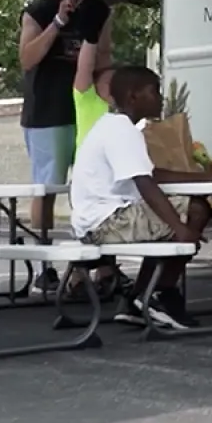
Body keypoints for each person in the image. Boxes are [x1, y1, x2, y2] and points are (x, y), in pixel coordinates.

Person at [71, 66, 212, 331]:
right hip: (107, 222)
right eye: (154, 91)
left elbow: (151, 173)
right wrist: (180, 229)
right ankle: (159, 294)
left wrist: (207, 179)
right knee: (196, 209)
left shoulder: (114, 126)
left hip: (100, 221)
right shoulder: (121, 129)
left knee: (164, 220)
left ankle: (139, 299)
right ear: (133, 96)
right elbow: (145, 183)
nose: (160, 98)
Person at [18, 0, 112, 291]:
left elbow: (104, 53)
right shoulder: (38, 10)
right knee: (49, 186)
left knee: (93, 186)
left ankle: (92, 266)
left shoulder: (98, 9)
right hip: (48, 111)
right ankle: (45, 267)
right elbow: (27, 59)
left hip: (86, 108)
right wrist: (58, 22)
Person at [65, 40, 129, 300]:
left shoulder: (123, 112)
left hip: (112, 176)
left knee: (112, 216)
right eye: (109, 83)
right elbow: (84, 68)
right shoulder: (86, 100)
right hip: (88, 178)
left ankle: (106, 273)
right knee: (89, 222)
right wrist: (91, 36)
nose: (114, 88)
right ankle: (77, 279)